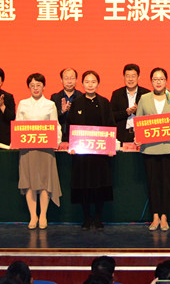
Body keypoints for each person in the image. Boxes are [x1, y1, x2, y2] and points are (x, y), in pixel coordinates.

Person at [135, 68, 170, 231]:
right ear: (151, 81)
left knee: (166, 184)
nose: (158, 82)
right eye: (155, 79)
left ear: (166, 81)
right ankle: (155, 216)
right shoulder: (144, 98)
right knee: (153, 184)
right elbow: (139, 120)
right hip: (149, 149)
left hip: (168, 148)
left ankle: (164, 217)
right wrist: (137, 135)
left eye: (161, 79)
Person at [69, 70, 115, 230]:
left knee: (99, 186)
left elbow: (110, 125)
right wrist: (72, 146)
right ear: (82, 84)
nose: (90, 85)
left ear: (98, 84)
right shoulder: (76, 103)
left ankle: (98, 218)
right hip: (82, 154)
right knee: (84, 185)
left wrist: (110, 147)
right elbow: (71, 126)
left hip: (100, 154)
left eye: (93, 82)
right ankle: (87, 218)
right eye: (87, 82)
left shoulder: (104, 102)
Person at [17, 72, 62, 230]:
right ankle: (33, 216)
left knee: (44, 183)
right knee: (29, 183)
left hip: (45, 149)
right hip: (27, 149)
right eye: (32, 86)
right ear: (28, 87)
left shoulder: (50, 104)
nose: (35, 88)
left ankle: (43, 215)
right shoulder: (23, 104)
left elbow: (55, 125)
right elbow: (18, 124)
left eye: (38, 85)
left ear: (44, 86)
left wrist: (56, 142)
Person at [110, 64, 150, 143]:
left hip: (141, 134)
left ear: (138, 77)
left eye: (133, 76)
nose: (130, 79)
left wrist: (138, 111)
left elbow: (151, 115)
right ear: (123, 77)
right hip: (122, 135)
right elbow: (111, 116)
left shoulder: (146, 94)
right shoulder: (117, 94)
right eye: (127, 76)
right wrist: (126, 113)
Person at [51, 67, 83, 143]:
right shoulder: (55, 97)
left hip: (77, 136)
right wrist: (62, 111)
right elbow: (51, 118)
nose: (69, 81)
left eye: (72, 78)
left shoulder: (81, 97)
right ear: (61, 80)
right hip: (59, 136)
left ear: (76, 80)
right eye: (66, 78)